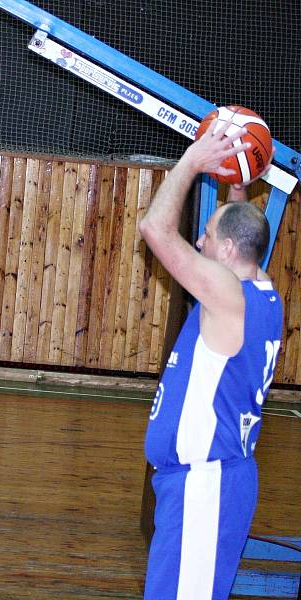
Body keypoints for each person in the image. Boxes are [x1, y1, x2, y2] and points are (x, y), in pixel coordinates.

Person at [139, 121, 283, 599]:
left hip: (205, 487)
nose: (199, 242)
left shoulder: (225, 294)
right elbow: (241, 225)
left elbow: (154, 228)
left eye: (205, 235)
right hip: (215, 482)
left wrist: (191, 161)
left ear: (225, 249)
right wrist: (235, 173)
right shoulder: (262, 292)